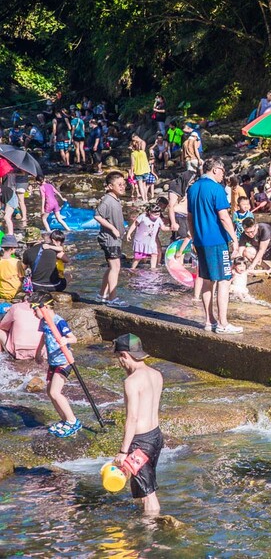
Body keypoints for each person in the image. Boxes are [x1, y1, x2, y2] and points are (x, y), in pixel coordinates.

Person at [187, 158, 241, 334]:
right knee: (224, 280)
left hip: (200, 240)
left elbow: (189, 217)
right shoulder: (216, 189)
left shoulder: (193, 188)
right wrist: (234, 239)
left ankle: (209, 321)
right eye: (223, 172)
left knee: (207, 282)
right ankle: (223, 324)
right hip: (217, 240)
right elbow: (224, 217)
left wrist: (194, 238)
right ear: (216, 170)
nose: (223, 176)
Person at [112, 333, 165, 513]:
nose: (121, 363)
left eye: (120, 358)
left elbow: (132, 418)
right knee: (144, 486)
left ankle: (152, 533)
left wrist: (123, 451)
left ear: (124, 355)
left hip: (140, 444)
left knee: (149, 493)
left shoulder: (131, 382)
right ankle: (147, 525)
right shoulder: (156, 374)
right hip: (156, 437)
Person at [32, 292, 80, 437]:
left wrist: (66, 340)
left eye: (35, 309)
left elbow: (74, 339)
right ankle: (64, 419)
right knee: (49, 392)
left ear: (45, 307)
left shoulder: (59, 321)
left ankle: (72, 421)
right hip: (53, 362)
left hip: (64, 362)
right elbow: (44, 336)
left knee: (55, 392)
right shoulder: (44, 322)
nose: (34, 313)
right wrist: (38, 351)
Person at [94, 172, 129, 307]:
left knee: (111, 267)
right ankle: (112, 299)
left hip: (115, 239)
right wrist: (113, 228)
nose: (122, 186)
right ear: (110, 186)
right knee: (115, 267)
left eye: (124, 184)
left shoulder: (115, 199)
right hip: (109, 239)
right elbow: (97, 216)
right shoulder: (107, 200)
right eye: (119, 184)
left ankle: (101, 295)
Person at [127, 204, 164, 270]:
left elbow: (163, 228)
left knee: (154, 254)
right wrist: (129, 233)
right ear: (149, 212)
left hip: (151, 241)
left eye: (158, 214)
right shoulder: (143, 217)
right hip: (141, 241)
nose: (157, 216)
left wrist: (171, 228)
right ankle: (132, 268)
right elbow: (134, 225)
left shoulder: (158, 219)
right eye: (155, 214)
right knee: (137, 257)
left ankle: (153, 269)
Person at [0, 235, 23, 300]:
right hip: (15, 293)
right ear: (12, 249)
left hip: (2, 293)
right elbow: (21, 277)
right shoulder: (17, 262)